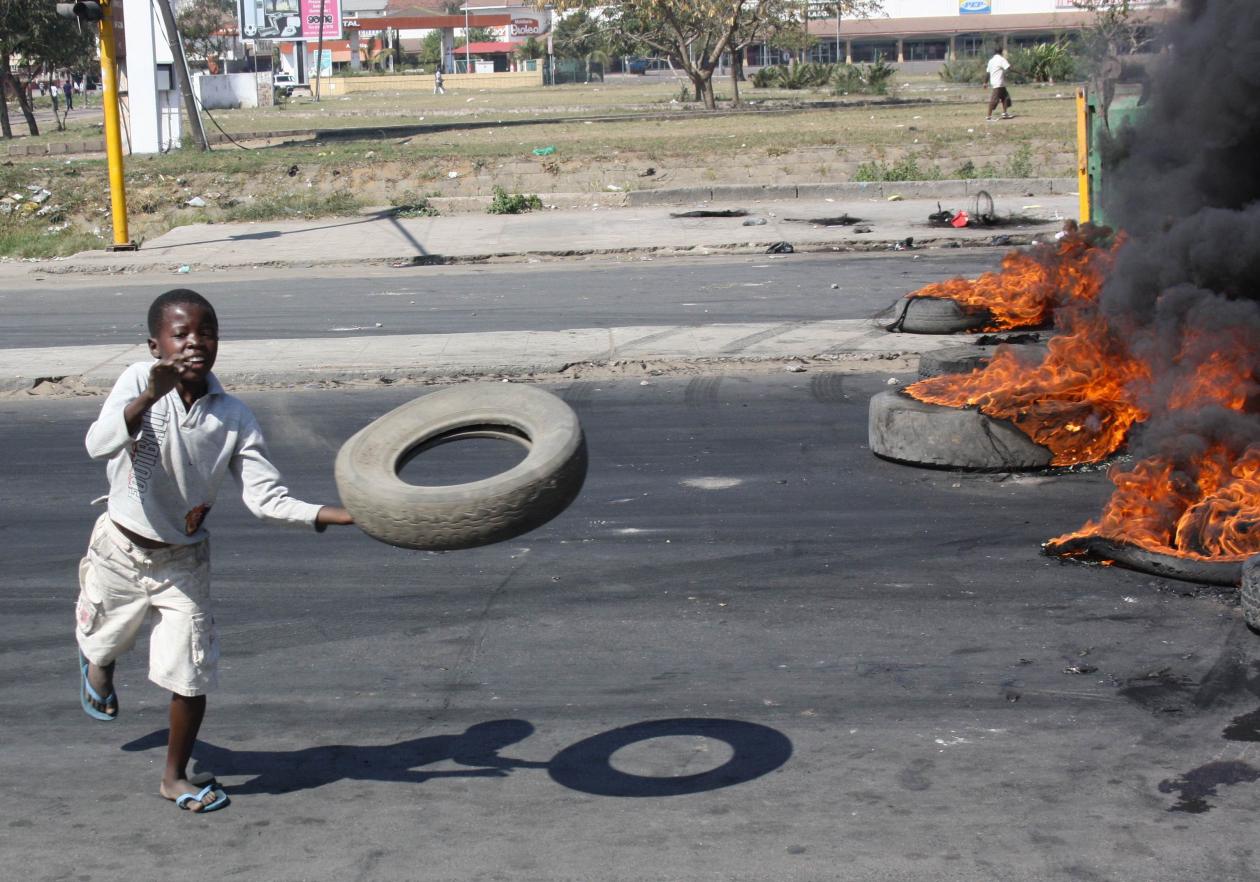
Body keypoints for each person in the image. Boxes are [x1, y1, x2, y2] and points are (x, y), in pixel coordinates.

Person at [75, 288, 354, 813]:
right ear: (155, 345)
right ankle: (99, 664)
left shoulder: (234, 416)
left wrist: (337, 514)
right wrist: (147, 397)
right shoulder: (137, 380)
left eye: (206, 333)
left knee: (191, 672)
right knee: (103, 640)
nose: (194, 343)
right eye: (180, 334)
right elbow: (97, 444)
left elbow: (266, 499)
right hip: (119, 550)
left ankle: (174, 776)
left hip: (182, 563)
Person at [985, 47, 1012, 121]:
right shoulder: (1001, 59)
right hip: (998, 83)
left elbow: (988, 73)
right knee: (994, 100)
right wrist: (1021, 72)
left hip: (998, 83)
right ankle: (989, 117)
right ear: (1001, 52)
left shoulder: (991, 61)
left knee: (1005, 97)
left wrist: (985, 82)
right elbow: (1009, 68)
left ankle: (1004, 113)